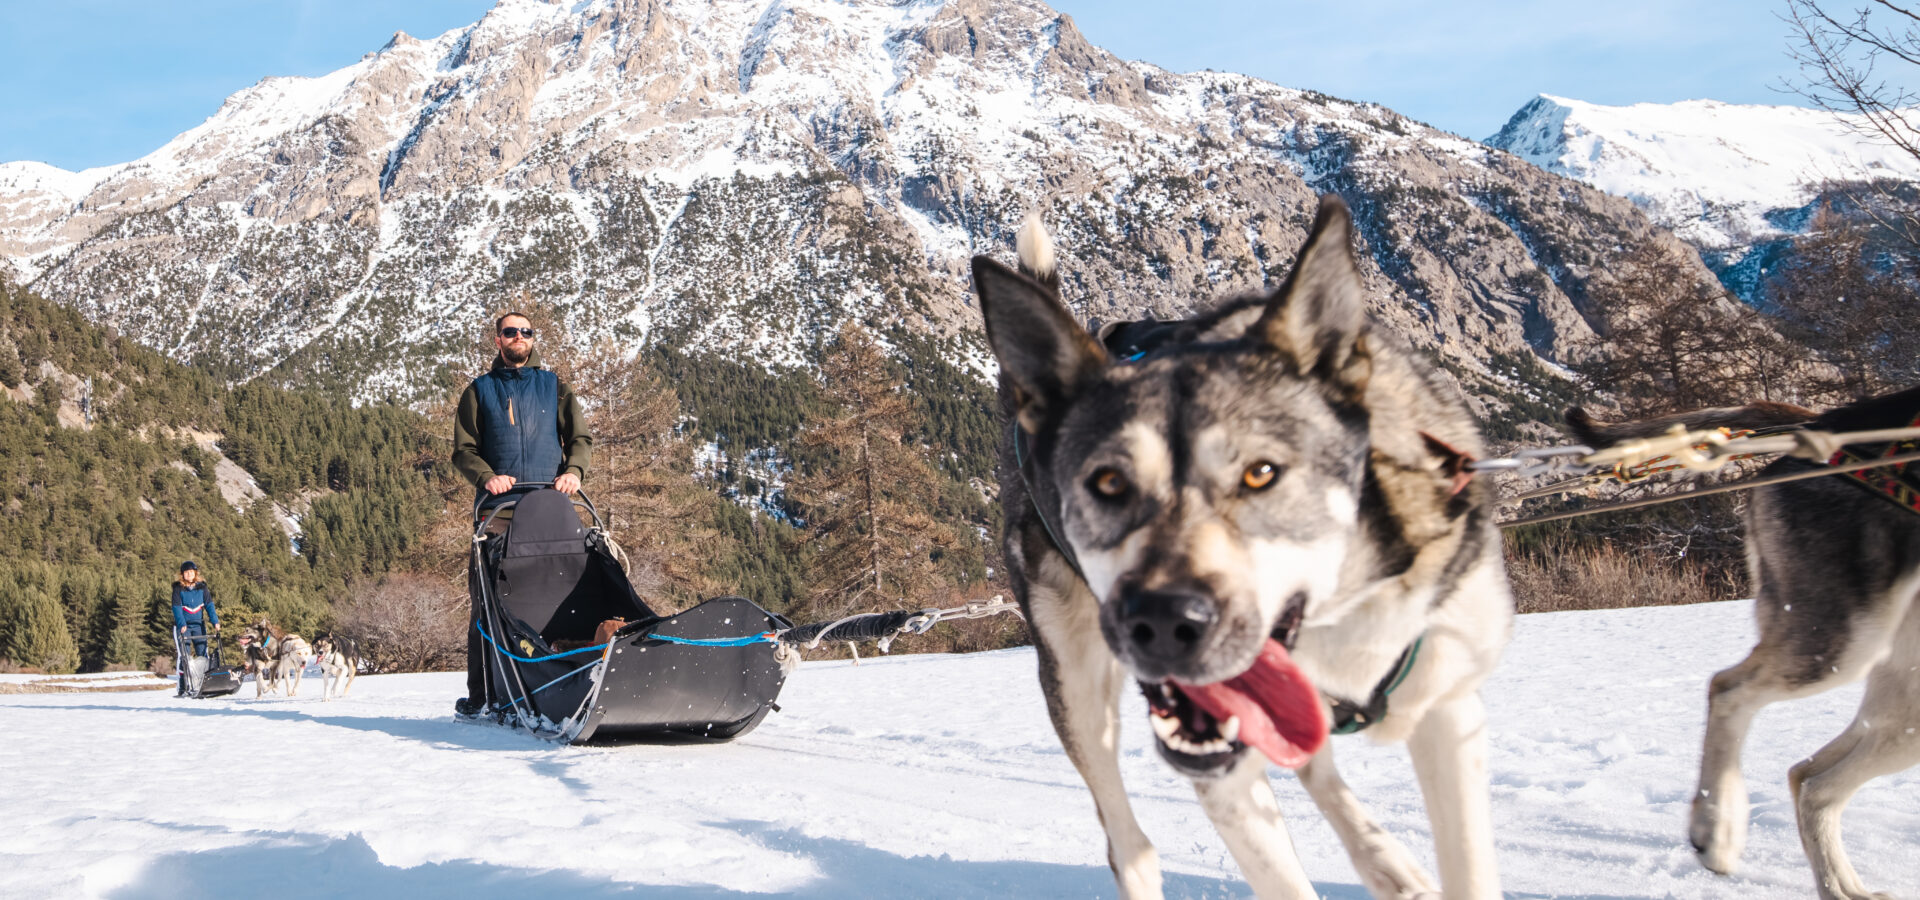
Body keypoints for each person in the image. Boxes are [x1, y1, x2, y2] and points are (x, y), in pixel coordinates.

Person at [450, 312, 593, 717]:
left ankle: (571, 674)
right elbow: (464, 451)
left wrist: (573, 472)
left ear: (533, 339)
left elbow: (580, 438)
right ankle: (481, 696)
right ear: (498, 340)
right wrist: (486, 477)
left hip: (551, 504)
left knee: (569, 587)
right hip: (499, 510)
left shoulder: (555, 387)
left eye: (526, 332)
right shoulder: (479, 391)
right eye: (510, 331)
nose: (518, 337)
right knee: (487, 600)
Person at [171, 561, 219, 696]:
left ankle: (204, 684)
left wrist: (215, 621)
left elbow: (209, 606)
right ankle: (183, 686)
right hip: (183, 627)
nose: (189, 574)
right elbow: (176, 609)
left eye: (191, 572)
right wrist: (181, 624)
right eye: (186, 572)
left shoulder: (202, 588)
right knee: (184, 656)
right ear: (182, 575)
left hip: (199, 625)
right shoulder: (178, 589)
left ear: (195, 573)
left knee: (202, 654)